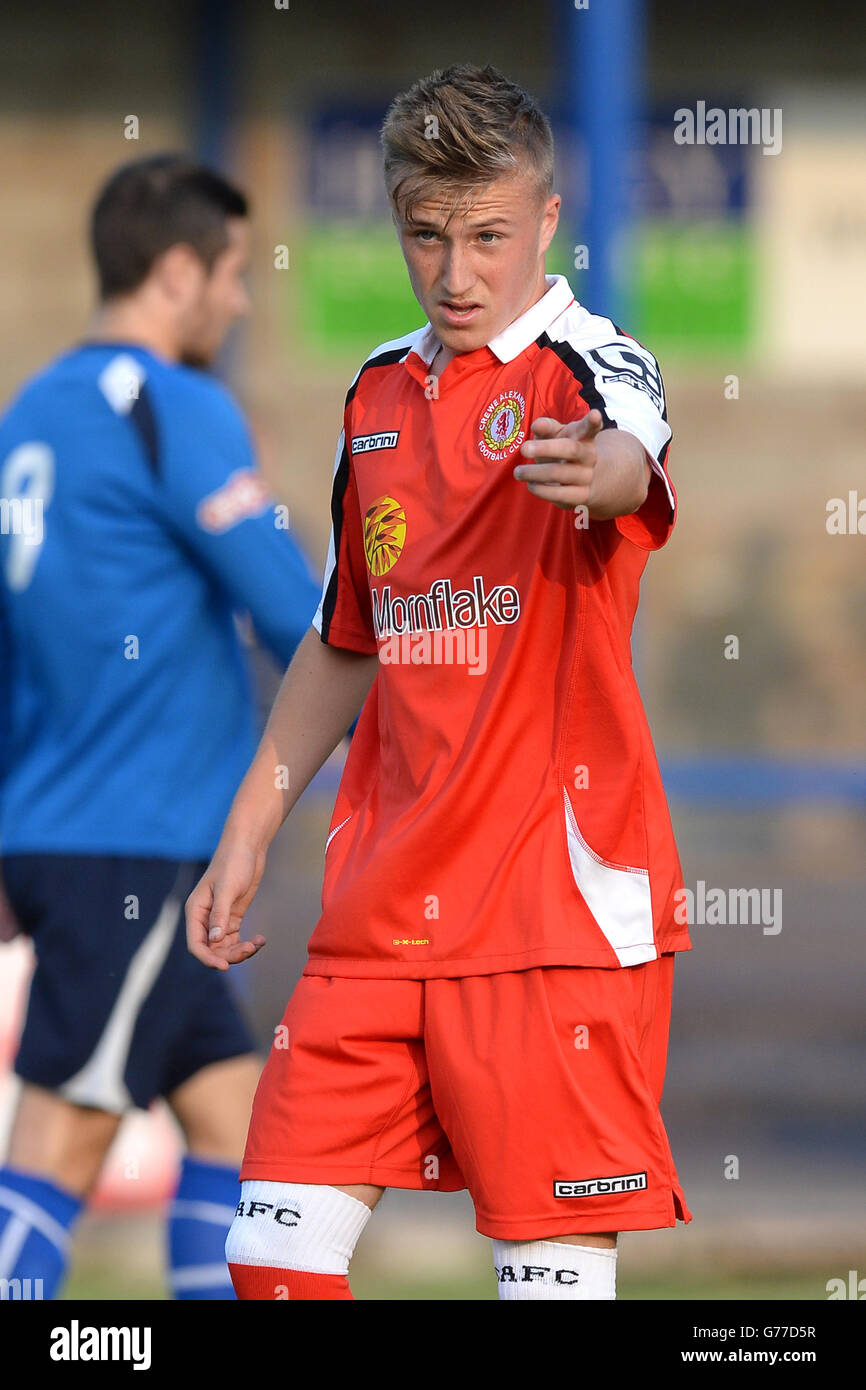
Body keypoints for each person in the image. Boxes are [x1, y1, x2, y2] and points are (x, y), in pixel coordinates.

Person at [187, 63, 693, 1302]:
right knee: (266, 1260)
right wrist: (248, 827)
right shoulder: (373, 393)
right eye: (427, 235)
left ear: (546, 224)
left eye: (487, 237)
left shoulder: (587, 366)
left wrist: (607, 466)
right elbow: (341, 637)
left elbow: (637, 445)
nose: (456, 273)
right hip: (378, 913)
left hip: (549, 919)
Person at [0, 154, 321, 1299]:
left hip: (62, 835)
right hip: (135, 845)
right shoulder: (172, 407)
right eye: (232, 274)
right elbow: (302, 613)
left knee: (239, 1129)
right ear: (178, 272)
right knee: (58, 1142)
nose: (240, 301)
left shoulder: (27, 415)